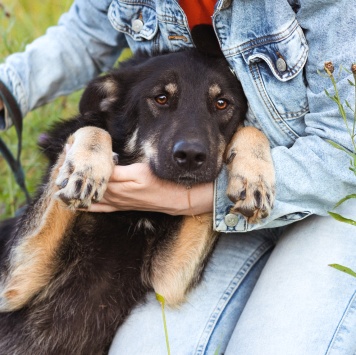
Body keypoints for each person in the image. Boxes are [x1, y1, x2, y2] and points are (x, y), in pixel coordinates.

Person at [1, 1, 356, 354]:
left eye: (221, 106)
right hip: (230, 207)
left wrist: (194, 197)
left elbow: (344, 147)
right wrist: (79, 137)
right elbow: (82, 36)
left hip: (327, 199)